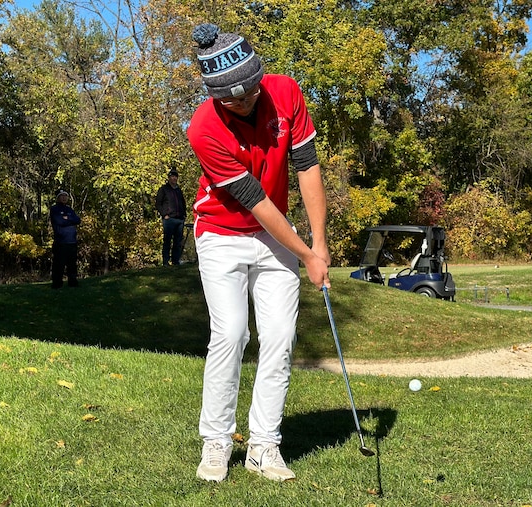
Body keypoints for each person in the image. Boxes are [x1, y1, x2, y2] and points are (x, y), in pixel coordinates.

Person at [187, 23, 331, 483]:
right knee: (231, 334)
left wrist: (320, 243)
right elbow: (256, 202)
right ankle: (216, 439)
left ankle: (264, 445)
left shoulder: (286, 93)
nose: (244, 101)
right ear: (214, 95)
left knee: (280, 337)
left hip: (276, 236)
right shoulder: (204, 127)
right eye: (232, 97)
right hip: (221, 233)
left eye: (249, 91)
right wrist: (306, 255)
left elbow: (307, 167)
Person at [155, 168, 187, 266]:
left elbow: (183, 202)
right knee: (167, 241)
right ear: (169, 178)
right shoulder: (164, 189)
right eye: (172, 176)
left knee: (178, 242)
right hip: (169, 219)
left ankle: (175, 261)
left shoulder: (178, 190)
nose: (174, 178)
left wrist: (184, 215)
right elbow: (158, 204)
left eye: (175, 177)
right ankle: (165, 262)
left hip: (179, 219)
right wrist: (164, 215)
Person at [50, 190, 81, 288]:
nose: (64, 198)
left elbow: (78, 220)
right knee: (59, 264)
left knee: (72, 264)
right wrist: (69, 220)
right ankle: (57, 284)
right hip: (61, 241)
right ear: (58, 198)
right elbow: (60, 221)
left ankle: (72, 282)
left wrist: (67, 218)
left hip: (72, 241)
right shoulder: (54, 209)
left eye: (66, 196)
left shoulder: (69, 210)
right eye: (62, 196)